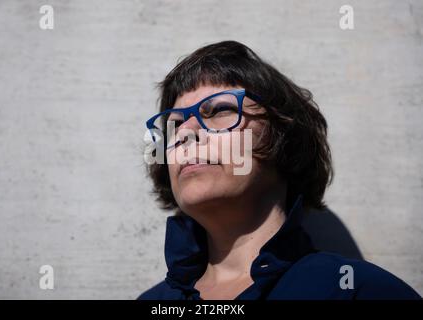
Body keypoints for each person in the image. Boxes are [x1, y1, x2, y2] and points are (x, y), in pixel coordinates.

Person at [138, 40, 421, 300]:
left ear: (283, 138)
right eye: (173, 124)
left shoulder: (361, 293)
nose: (185, 132)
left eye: (220, 110)